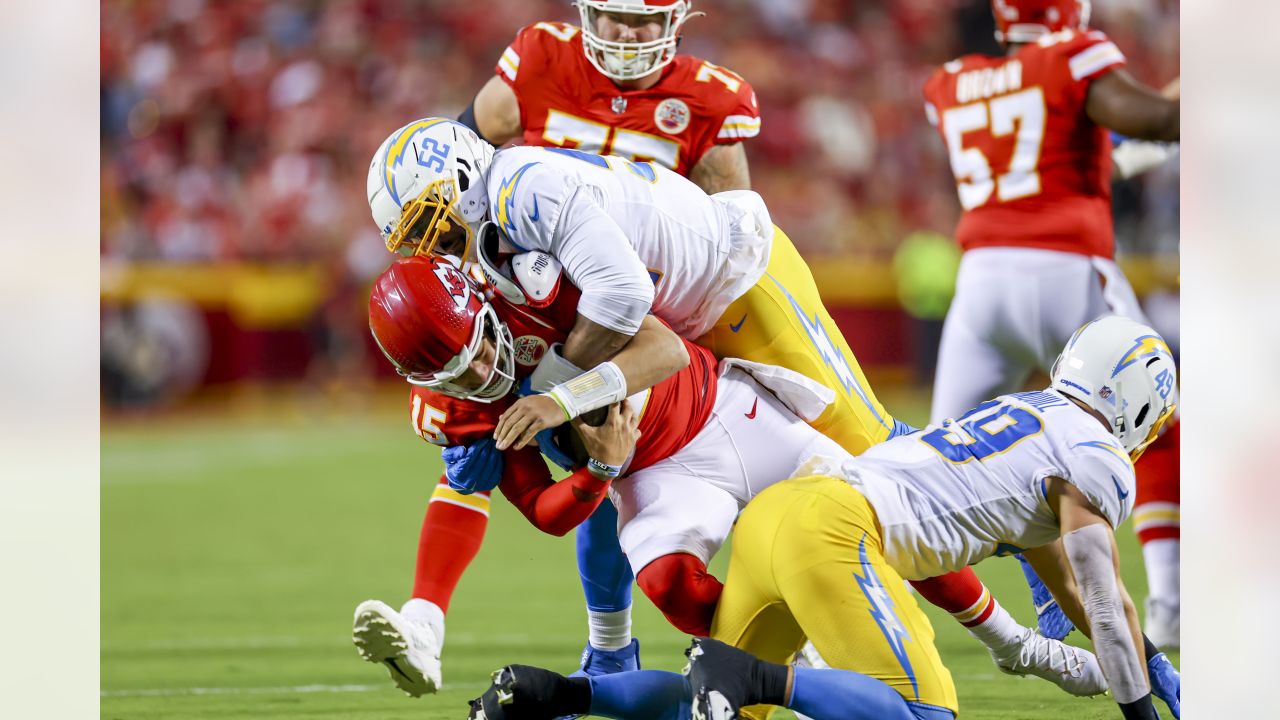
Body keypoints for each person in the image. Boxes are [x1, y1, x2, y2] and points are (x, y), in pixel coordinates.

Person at [363, 117, 1089, 695]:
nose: (480, 367)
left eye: (433, 226)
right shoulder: (478, 285)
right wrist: (598, 472)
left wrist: (557, 396)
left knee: (883, 475)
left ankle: (1015, 628)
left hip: (725, 331)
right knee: (671, 583)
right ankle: (786, 670)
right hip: (657, 460)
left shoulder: (527, 228)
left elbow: (647, 329)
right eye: (417, 243)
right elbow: (504, 494)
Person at [466, 315, 1183, 720]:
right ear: (1138, 404)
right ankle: (754, 678)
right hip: (835, 528)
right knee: (923, 718)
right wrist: (1145, 712)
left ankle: (556, 694)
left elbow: (1067, 580)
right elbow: (1102, 599)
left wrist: (1152, 663)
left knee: (707, 710)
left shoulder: (1030, 411)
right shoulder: (1098, 457)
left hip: (781, 515)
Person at [922, 0, 1180, 640]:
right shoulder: (1074, 55)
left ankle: (854, 608)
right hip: (1066, 266)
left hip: (982, 280)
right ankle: (1169, 605)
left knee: (927, 459)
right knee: (1161, 420)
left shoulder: (952, 80)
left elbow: (1046, 154)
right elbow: (1162, 119)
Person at [460, 0, 757, 194]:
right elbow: (458, 154)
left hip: (647, 272)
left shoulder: (710, 99)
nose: (626, 33)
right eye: (614, 16)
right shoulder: (544, 59)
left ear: (673, 24)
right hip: (530, 254)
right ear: (589, 15)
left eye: (643, 20)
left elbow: (731, 234)